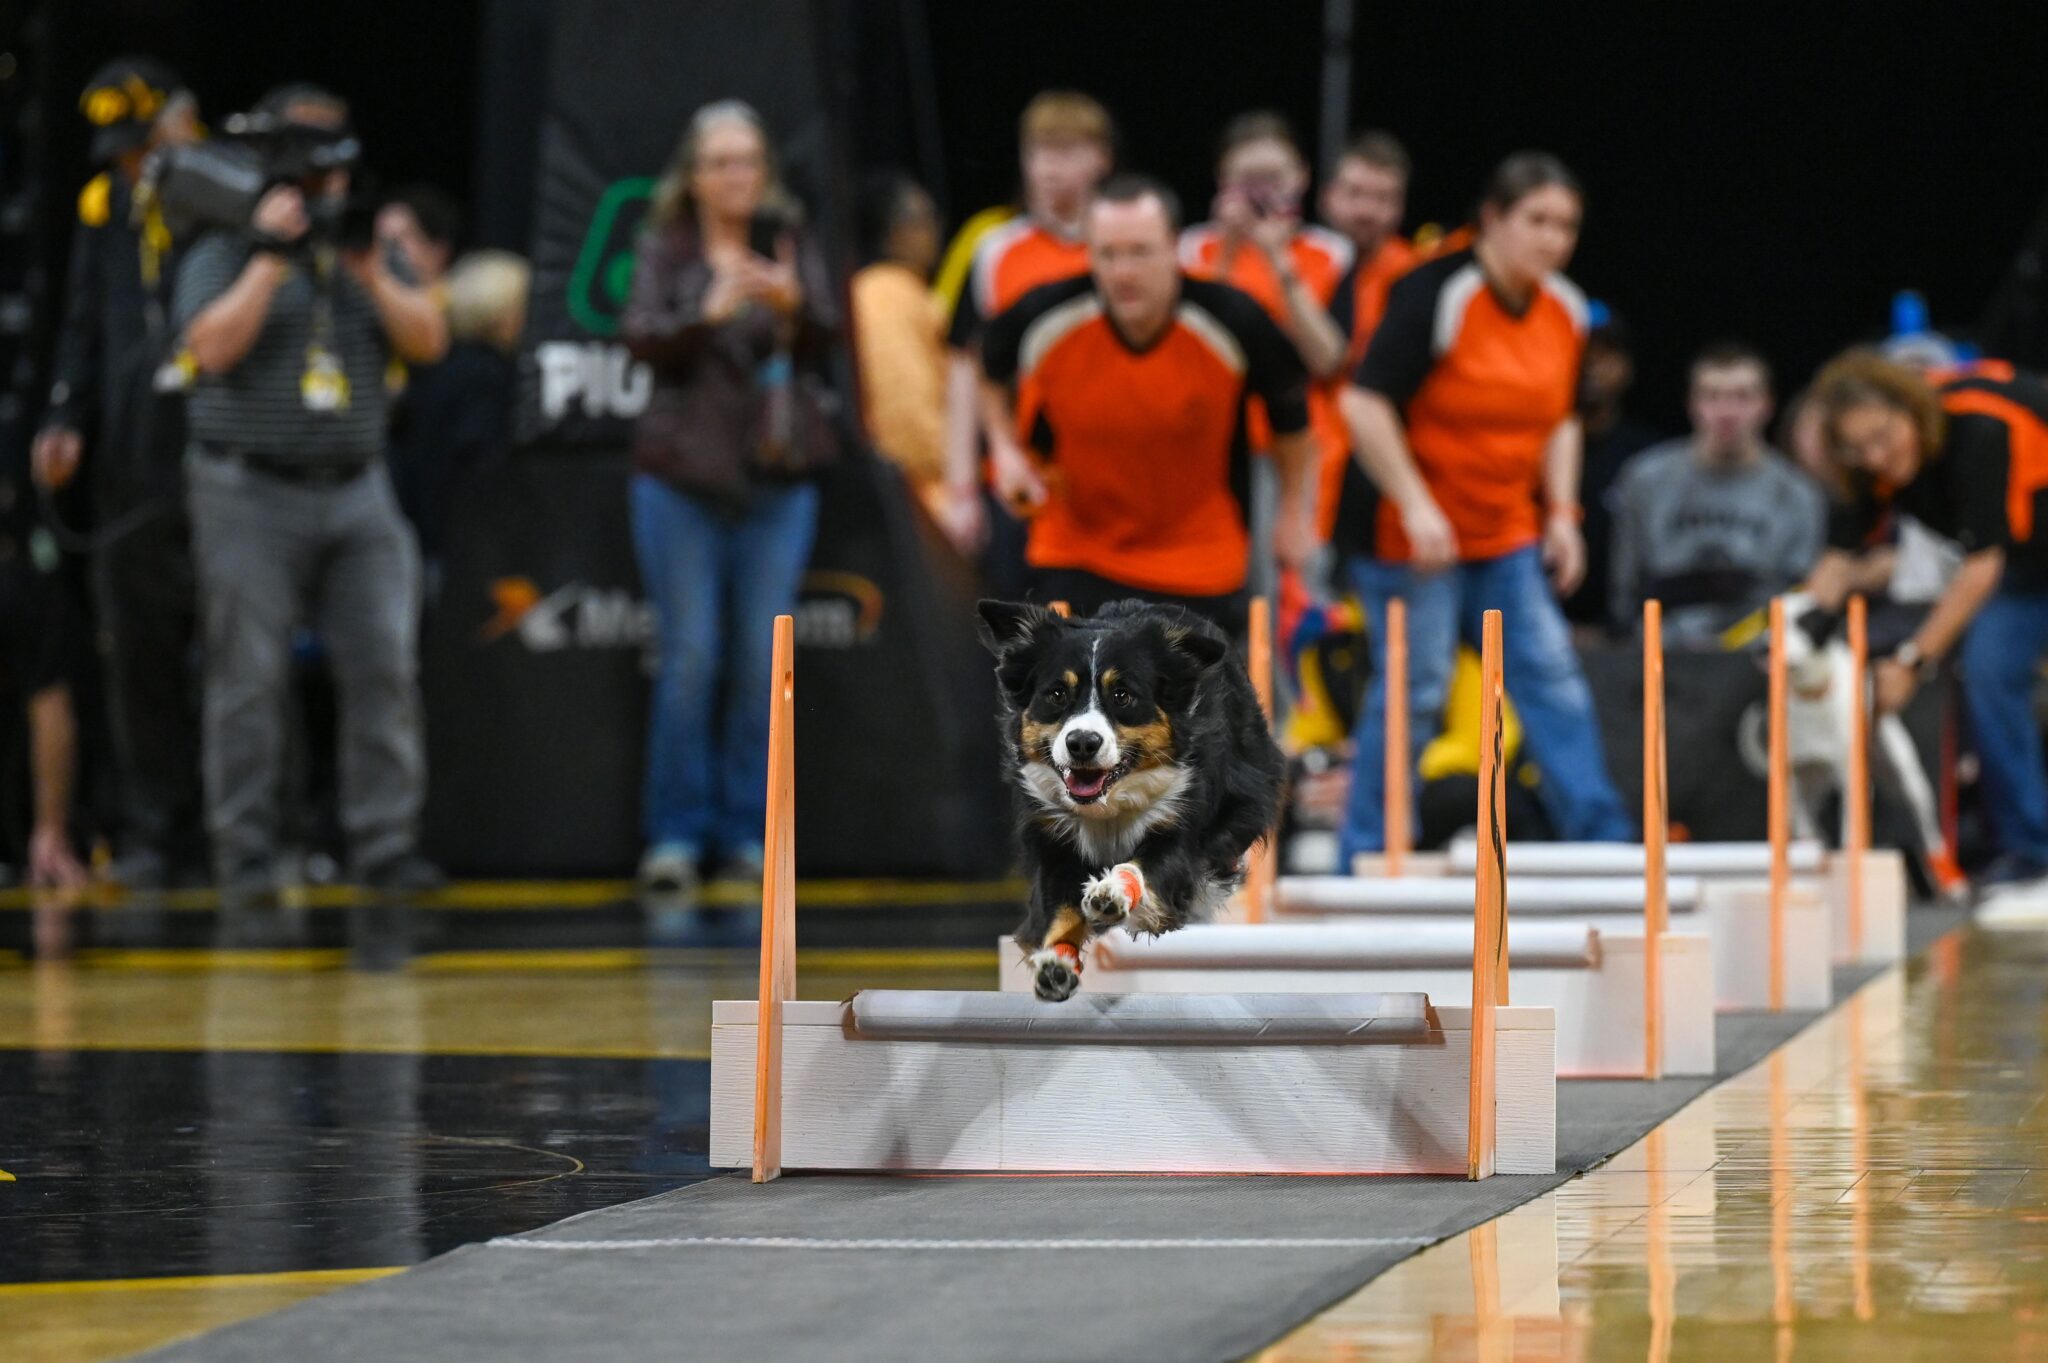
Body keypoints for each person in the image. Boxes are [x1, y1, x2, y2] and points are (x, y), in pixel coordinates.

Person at [172, 84, 448, 919]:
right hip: (248, 486)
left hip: (357, 485)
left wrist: (369, 272)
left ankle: (385, 844)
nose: (329, 178)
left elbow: (429, 339)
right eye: (313, 161)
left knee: (385, 666)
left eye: (338, 160)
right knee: (248, 679)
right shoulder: (225, 241)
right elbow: (206, 348)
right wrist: (268, 258)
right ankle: (247, 851)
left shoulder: (368, 244)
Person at [1337, 152, 1634, 862]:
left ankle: (1604, 841)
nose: (1553, 239)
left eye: (1566, 225)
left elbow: (1562, 417)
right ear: (1493, 219)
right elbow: (1362, 403)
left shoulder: (1565, 308)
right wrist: (1417, 505)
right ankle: (1367, 851)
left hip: (1503, 531)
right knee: (1417, 688)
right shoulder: (1437, 291)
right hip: (1410, 538)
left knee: (1552, 677)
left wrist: (1561, 513)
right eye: (1537, 221)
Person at [621, 100, 838, 897]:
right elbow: (640, 337)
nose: (735, 175)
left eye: (747, 160)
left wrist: (791, 304)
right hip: (681, 478)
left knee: (761, 663)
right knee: (690, 658)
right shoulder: (667, 247)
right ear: (694, 174)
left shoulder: (789, 238)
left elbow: (831, 332)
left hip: (777, 477)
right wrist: (701, 313)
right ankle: (676, 835)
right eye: (719, 162)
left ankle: (749, 833)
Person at [978, 174, 1317, 630]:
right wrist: (1006, 451)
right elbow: (988, 367)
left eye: (1140, 252)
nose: (1123, 272)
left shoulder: (1234, 320)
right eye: (1108, 254)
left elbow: (1290, 414)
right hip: (1076, 548)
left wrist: (1294, 512)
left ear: (1174, 247)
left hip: (1199, 556)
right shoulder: (1046, 314)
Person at [31, 57, 206, 889]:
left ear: (179, 125)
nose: (133, 162)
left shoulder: (220, 194)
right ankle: (154, 824)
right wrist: (65, 415)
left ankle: (255, 822)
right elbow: (81, 325)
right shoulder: (103, 206)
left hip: (216, 452)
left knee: (239, 651)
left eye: (144, 144)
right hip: (131, 467)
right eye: (123, 150)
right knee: (137, 650)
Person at [1805, 351, 2048, 887]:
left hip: (2009, 557)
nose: (1876, 457)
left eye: (1884, 437)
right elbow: (1838, 560)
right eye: (1857, 447)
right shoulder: (1866, 466)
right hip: (2027, 563)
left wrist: (1911, 661)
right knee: (1988, 669)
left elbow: (1982, 566)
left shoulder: (1978, 428)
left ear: (1912, 412)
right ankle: (2031, 852)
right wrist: (1796, 636)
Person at [938, 91, 1113, 563]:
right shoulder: (995, 249)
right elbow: (964, 366)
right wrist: (961, 487)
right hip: (1022, 476)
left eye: (1067, 151)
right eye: (1038, 151)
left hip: (1117, 478)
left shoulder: (1125, 244)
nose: (1050, 167)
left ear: (1101, 158)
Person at [1181, 112, 1352, 540]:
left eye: (1273, 179)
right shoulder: (1192, 249)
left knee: (1295, 567)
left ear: (1301, 177)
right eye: (1247, 181)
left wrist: (1277, 258)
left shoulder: (1331, 252)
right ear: (1223, 182)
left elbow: (1328, 359)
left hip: (1300, 442)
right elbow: (1196, 347)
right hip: (1211, 442)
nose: (1261, 194)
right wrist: (1228, 249)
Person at [1609, 343, 1824, 643]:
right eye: (1712, 396)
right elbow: (1625, 593)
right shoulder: (1644, 481)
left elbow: (1801, 601)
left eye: (1742, 396)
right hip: (1662, 649)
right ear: (1691, 403)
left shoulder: (1798, 494)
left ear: (1767, 405)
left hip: (1760, 653)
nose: (1727, 412)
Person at [386, 250, 528, 574]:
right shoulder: (488, 376)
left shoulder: (433, 362)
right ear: (503, 315)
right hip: (458, 543)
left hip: (416, 525)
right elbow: (479, 463)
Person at [1321, 130, 1421, 567]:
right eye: (1356, 193)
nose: (1367, 210)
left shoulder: (1414, 275)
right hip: (1304, 452)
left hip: (1377, 463)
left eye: (1383, 198)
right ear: (1329, 195)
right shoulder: (1302, 259)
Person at [849, 173, 947, 519]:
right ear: (892, 232)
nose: (933, 230)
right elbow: (906, 413)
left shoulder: (903, 289)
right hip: (929, 494)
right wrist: (958, 475)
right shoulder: (885, 295)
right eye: (922, 219)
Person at [1565, 308, 1664, 629]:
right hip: (1546, 623)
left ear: (1627, 366)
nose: (1591, 365)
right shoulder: (1531, 451)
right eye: (1581, 353)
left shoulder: (1650, 456)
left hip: (1627, 630)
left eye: (1605, 353)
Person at [374, 184, 463, 295]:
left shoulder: (465, 298)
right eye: (382, 240)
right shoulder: (369, 299)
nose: (389, 251)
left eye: (401, 238)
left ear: (439, 249)